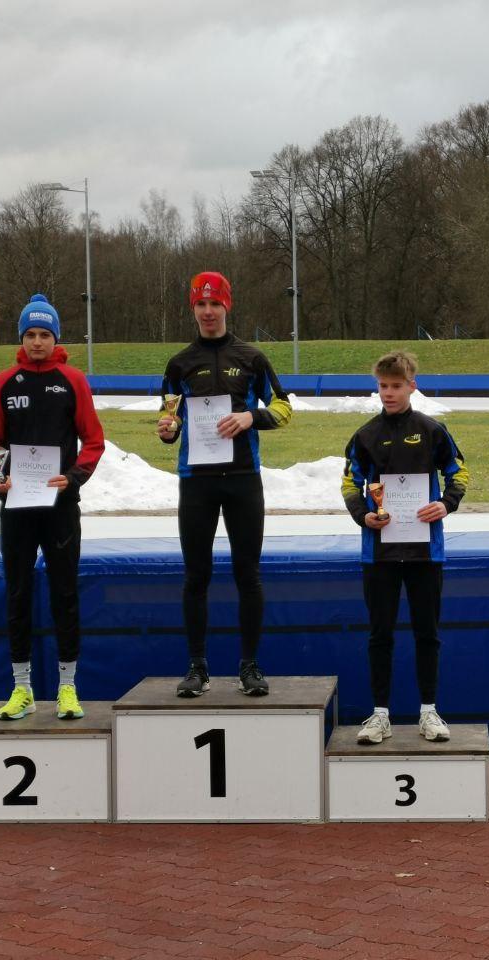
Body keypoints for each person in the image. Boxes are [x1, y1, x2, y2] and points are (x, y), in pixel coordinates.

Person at [157, 271, 293, 697]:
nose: (208, 311)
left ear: (227, 306)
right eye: (201, 304)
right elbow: (169, 417)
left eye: (215, 304)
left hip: (242, 479)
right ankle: (197, 667)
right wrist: (167, 430)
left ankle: (249, 666)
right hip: (196, 482)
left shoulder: (252, 358)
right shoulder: (179, 363)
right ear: (193, 308)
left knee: (247, 574)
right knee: (196, 576)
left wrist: (252, 416)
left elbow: (285, 407)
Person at [0, 293, 104, 721]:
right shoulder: (3, 383)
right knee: (18, 593)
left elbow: (93, 440)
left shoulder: (72, 380)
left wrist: (74, 477)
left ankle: (68, 687)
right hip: (16, 504)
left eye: (44, 334)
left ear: (56, 338)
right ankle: (22, 688)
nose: (37, 342)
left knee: (64, 593)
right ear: (21, 337)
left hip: (60, 505)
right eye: (30, 334)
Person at [341, 350, 470, 744]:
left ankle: (428, 711)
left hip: (424, 552)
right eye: (383, 386)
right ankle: (380, 715)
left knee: (426, 633)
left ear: (412, 386)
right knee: (380, 635)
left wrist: (445, 504)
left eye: (396, 386)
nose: (389, 393)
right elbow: (349, 483)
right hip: (378, 552)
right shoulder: (365, 435)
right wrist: (363, 514)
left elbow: (459, 472)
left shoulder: (432, 430)